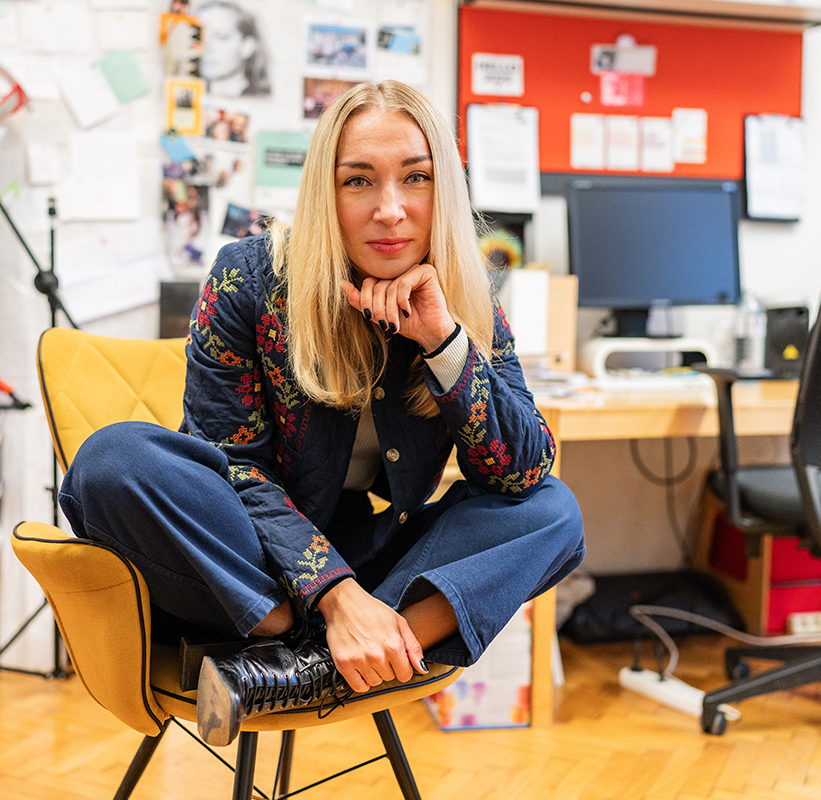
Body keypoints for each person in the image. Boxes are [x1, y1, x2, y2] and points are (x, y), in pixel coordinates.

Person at [59, 80, 584, 747]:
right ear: (324, 193)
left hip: (368, 560)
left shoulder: (465, 294)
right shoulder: (249, 278)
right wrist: (335, 597)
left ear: (443, 190)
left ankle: (301, 669)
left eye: (416, 178)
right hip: (248, 563)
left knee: (555, 511)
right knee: (113, 460)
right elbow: (236, 468)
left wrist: (443, 342)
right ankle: (318, 637)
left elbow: (521, 472)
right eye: (358, 181)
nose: (390, 210)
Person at [195, 0, 271, 97]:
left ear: (247, 46)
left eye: (222, 37)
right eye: (198, 36)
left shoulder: (263, 101)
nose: (206, 47)